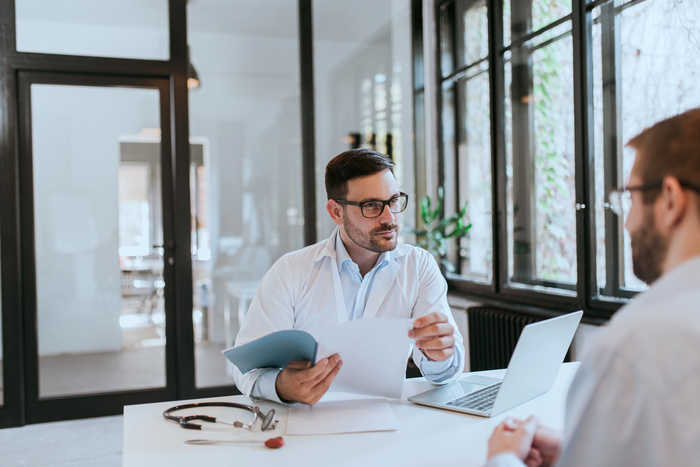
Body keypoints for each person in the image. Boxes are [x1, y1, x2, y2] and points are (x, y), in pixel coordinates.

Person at [486, 108, 700, 467]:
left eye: (629, 198)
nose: (627, 222)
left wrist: (504, 458)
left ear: (670, 199)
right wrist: (577, 450)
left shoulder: (635, 349)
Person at [232, 148, 465, 405]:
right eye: (372, 206)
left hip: (387, 422)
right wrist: (282, 387)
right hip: (307, 424)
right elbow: (244, 370)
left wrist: (438, 355)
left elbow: (444, 374)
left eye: (394, 201)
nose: (389, 218)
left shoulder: (419, 266)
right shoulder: (290, 271)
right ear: (336, 212)